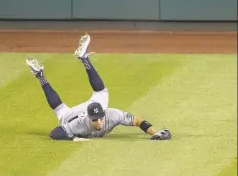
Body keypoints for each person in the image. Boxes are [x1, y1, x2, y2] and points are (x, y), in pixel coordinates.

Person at [26, 34, 172, 141]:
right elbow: (54, 133)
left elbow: (137, 121)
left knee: (101, 94)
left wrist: (155, 133)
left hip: (92, 106)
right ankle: (41, 75)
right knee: (60, 110)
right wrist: (75, 139)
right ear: (90, 118)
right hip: (70, 117)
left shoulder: (111, 115)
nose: (99, 122)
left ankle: (76, 62)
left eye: (100, 118)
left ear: (104, 114)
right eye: (95, 120)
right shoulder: (78, 125)